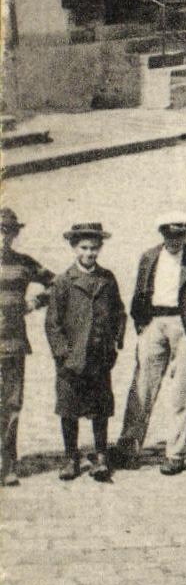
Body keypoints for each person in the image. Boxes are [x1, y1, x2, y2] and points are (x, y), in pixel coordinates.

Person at [113, 214, 186, 474]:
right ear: (162, 234)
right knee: (142, 386)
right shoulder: (149, 256)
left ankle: (175, 454)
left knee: (181, 391)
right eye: (169, 235)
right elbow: (139, 292)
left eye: (180, 235)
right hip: (154, 322)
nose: (174, 240)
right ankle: (128, 447)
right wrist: (142, 324)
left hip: (185, 327)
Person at [45, 223, 125, 482]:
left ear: (100, 249)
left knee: (100, 406)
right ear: (74, 248)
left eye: (94, 248)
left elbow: (119, 314)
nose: (90, 253)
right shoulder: (64, 281)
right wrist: (63, 354)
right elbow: (53, 323)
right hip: (72, 358)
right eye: (84, 248)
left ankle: (101, 455)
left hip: (99, 356)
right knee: (69, 407)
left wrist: (114, 344)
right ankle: (71, 457)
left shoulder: (107, 279)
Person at [0, 208, 55, 487]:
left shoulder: (24, 263)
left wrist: (35, 303)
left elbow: (57, 283)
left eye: (7, 232)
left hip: (12, 345)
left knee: (10, 405)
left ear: (14, 234)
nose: (2, 238)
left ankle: (7, 464)